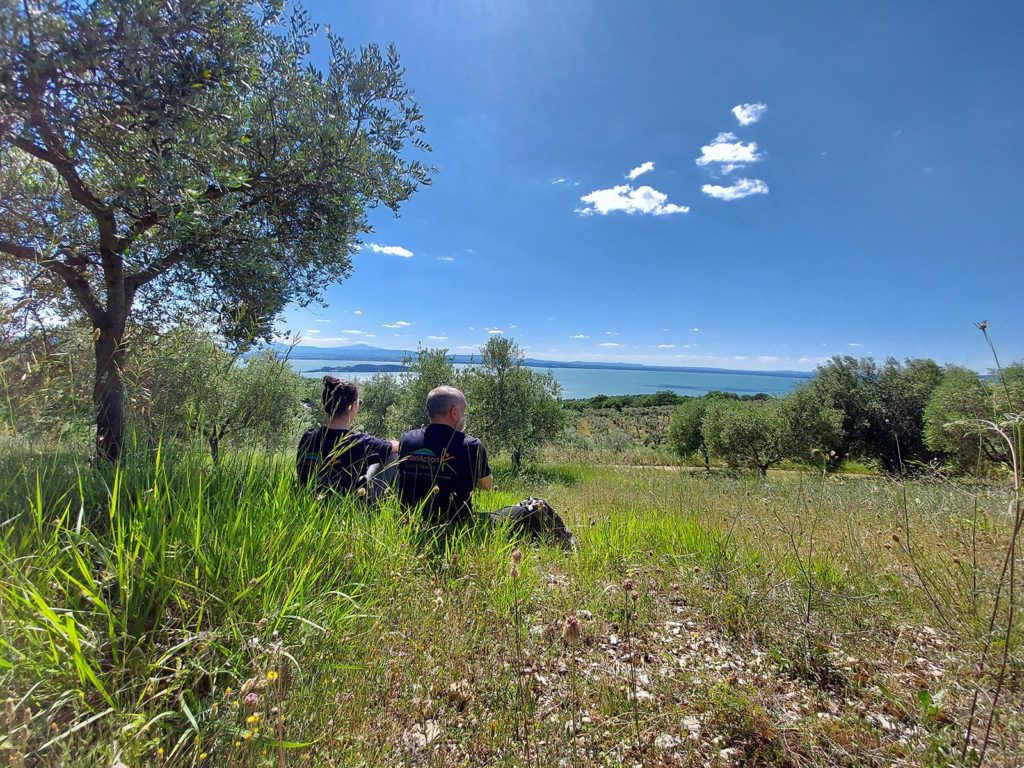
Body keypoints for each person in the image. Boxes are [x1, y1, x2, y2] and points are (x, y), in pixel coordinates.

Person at [396, 385, 492, 526]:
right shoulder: (471, 446)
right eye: (463, 412)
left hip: (411, 523)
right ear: (454, 412)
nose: (464, 417)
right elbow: (487, 486)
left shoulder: (407, 439)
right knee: (525, 511)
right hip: (456, 525)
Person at [297, 376, 398, 494]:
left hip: (307, 501)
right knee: (393, 454)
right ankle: (379, 503)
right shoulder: (359, 442)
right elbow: (401, 446)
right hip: (343, 505)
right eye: (359, 402)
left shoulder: (308, 437)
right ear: (353, 406)